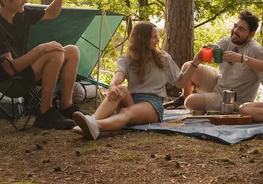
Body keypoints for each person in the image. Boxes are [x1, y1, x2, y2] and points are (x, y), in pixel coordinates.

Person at [72, 21, 203, 140]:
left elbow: (180, 82)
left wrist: (195, 63)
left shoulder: (164, 58)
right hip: (132, 99)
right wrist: (112, 86)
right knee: (121, 88)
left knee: (125, 111)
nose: (158, 40)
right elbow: (119, 75)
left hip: (152, 104)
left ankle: (96, 126)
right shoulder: (126, 58)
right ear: (143, 39)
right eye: (154, 37)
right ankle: (91, 120)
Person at [0, 0, 80, 129]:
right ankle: (45, 113)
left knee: (72, 51)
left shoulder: (22, 14)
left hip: (26, 69)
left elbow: (51, 13)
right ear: (5, 0)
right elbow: (10, 68)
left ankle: (66, 107)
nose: (25, 0)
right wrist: (41, 49)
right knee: (55, 53)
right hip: (12, 77)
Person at [172, 10, 263, 112]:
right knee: (188, 66)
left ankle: (189, 102)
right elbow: (215, 50)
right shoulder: (229, 40)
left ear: (251, 34)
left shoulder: (256, 51)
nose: (235, 31)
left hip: (233, 99)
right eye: (235, 26)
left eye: (241, 29)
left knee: (190, 102)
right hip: (219, 84)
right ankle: (182, 100)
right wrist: (207, 49)